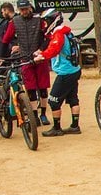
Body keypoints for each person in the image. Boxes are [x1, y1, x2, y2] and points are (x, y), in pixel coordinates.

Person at [1, 0, 50, 125]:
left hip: (40, 58)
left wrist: (41, 49)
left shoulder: (39, 20)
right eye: (21, 10)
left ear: (30, 7)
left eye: (26, 9)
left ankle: (43, 114)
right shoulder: (15, 22)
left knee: (43, 88)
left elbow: (47, 37)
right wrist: (2, 55)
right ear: (18, 10)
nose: (24, 11)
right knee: (31, 89)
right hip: (25, 59)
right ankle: (34, 116)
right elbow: (5, 40)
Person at [34, 9, 81, 137]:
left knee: (53, 100)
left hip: (65, 72)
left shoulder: (59, 33)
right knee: (73, 98)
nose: (45, 25)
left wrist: (41, 56)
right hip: (74, 70)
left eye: (46, 21)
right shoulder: (67, 32)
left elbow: (54, 49)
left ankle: (56, 128)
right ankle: (75, 126)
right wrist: (42, 52)